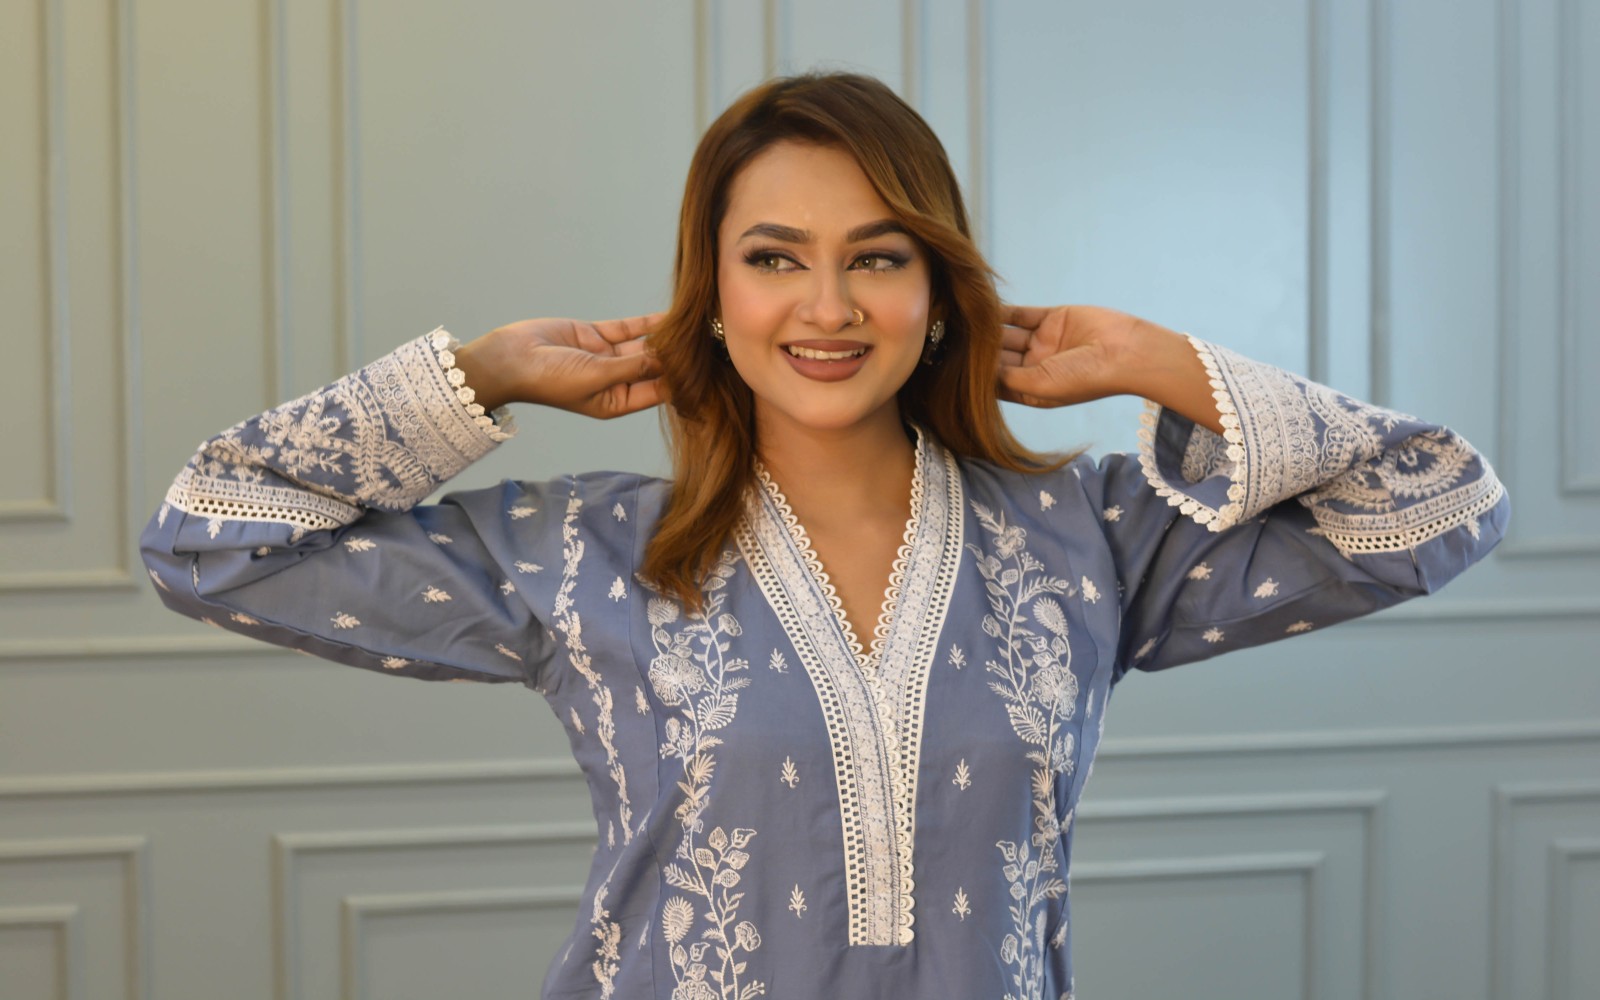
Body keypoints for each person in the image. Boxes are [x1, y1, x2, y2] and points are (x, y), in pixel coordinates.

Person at [141, 72, 1507, 999]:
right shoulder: (588, 552)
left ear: (937, 289)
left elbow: (1434, 505)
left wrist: (1154, 359)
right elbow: (212, 539)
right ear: (714, 293)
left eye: (879, 257)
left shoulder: (1085, 538)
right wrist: (484, 374)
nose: (829, 307)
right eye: (775, 257)